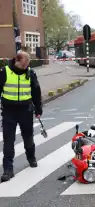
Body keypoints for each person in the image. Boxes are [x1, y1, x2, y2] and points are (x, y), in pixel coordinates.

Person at [0, 51, 43, 182]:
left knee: (28, 137)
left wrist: (38, 109)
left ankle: (31, 158)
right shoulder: (4, 72)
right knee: (8, 140)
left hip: (26, 110)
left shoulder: (30, 72)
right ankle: (8, 169)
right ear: (17, 61)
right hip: (9, 111)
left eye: (27, 65)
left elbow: (36, 91)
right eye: (24, 65)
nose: (26, 67)